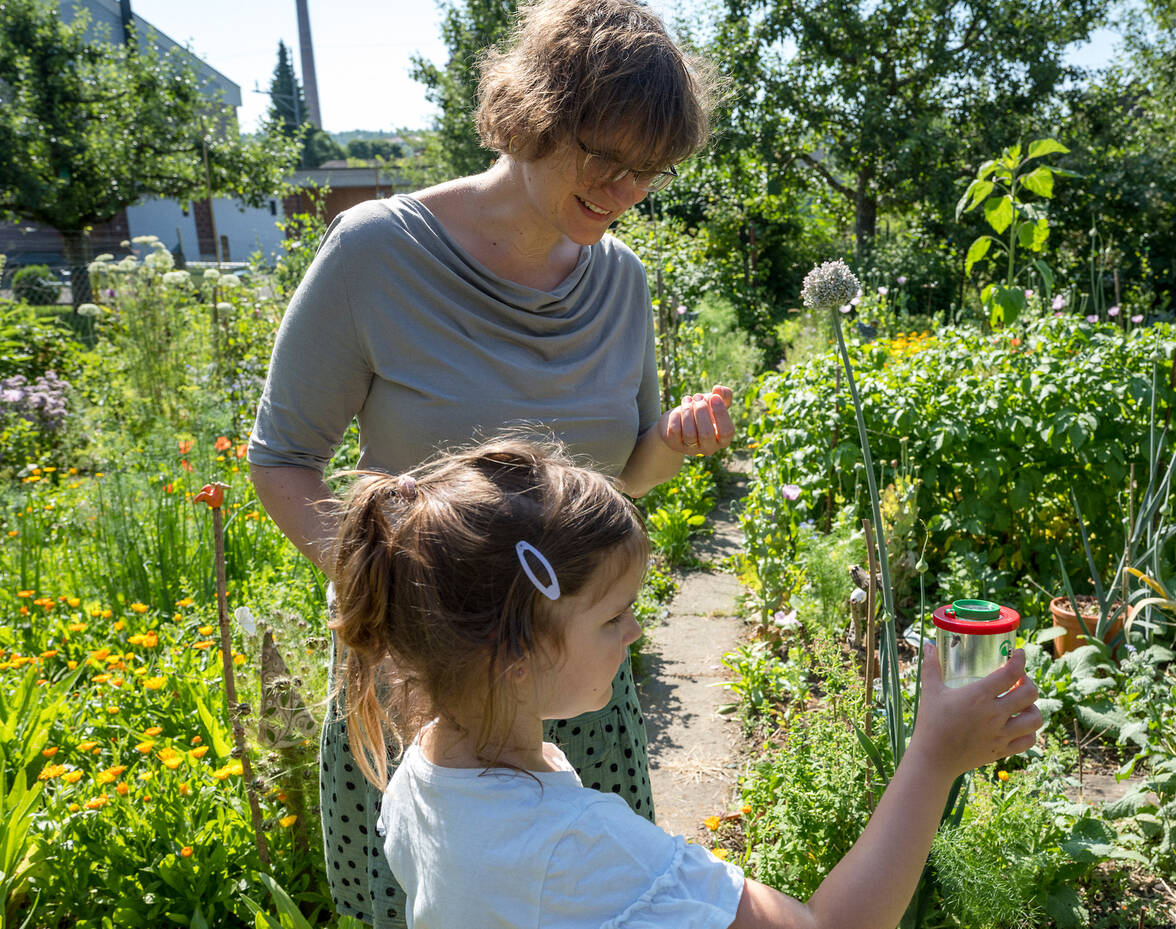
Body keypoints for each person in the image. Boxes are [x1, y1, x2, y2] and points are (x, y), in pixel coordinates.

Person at [246, 0, 729, 923]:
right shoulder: (377, 254)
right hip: (428, 685)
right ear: (535, 112)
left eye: (648, 173)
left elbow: (618, 474)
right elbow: (282, 460)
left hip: (577, 689)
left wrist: (670, 442)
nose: (623, 189)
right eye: (603, 155)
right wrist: (408, 604)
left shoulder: (620, 279)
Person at [330, 439, 1042, 929]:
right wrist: (933, 757)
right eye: (613, 616)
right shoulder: (576, 847)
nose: (635, 633)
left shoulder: (420, 772)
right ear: (515, 653)